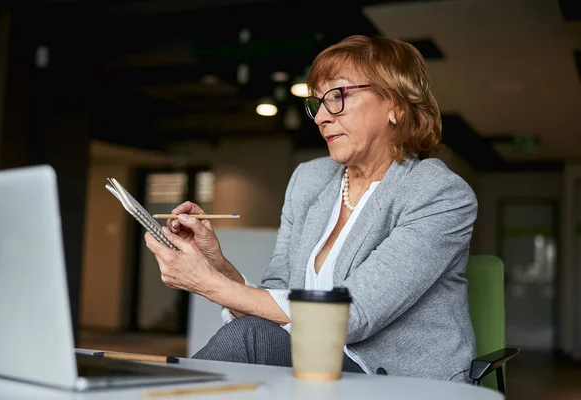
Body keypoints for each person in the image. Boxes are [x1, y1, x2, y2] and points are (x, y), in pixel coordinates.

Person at [143, 34, 478, 382]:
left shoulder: (439, 194)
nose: (321, 117)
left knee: (250, 339)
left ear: (395, 104)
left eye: (338, 97)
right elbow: (274, 299)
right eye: (317, 103)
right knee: (252, 337)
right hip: (313, 362)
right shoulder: (309, 179)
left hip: (398, 378)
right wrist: (217, 265)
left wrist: (207, 283)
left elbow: (351, 316)